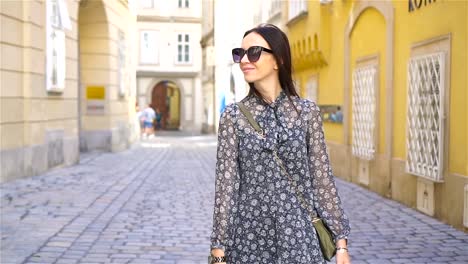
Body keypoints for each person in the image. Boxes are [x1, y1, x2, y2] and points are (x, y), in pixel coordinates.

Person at [209, 24, 351, 264]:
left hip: (300, 238)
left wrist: (340, 243)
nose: (244, 60)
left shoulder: (307, 113)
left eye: (253, 52)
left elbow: (322, 179)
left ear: (278, 60)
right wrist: (218, 250)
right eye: (239, 53)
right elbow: (226, 186)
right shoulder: (233, 117)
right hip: (248, 240)